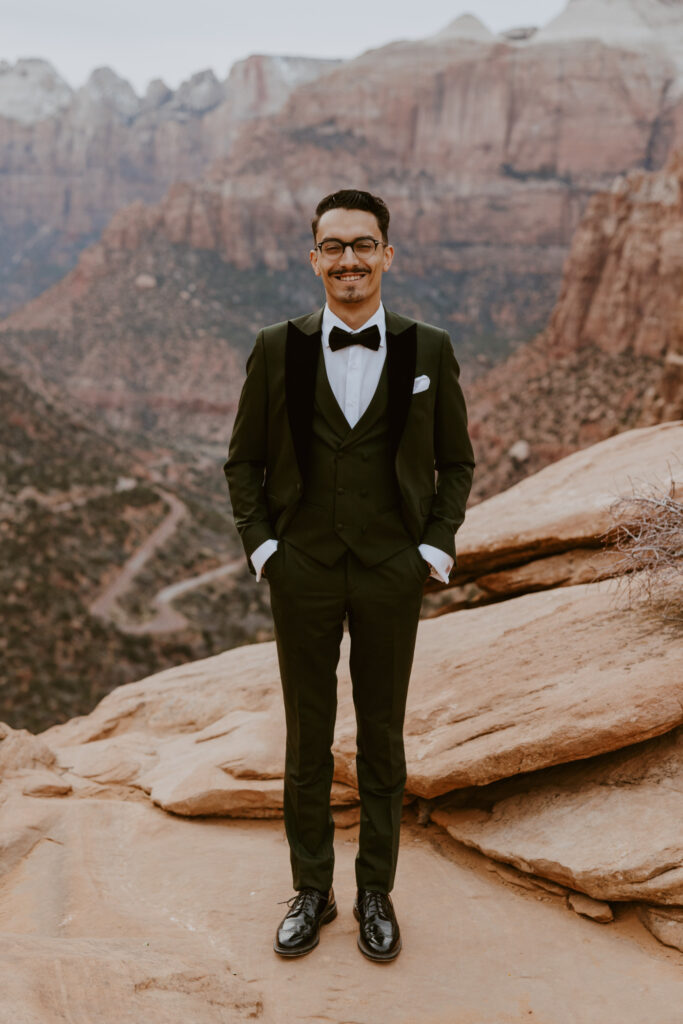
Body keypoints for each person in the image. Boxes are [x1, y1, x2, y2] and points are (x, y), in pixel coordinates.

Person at [224, 188, 474, 962]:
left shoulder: (428, 348)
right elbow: (244, 461)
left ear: (387, 255)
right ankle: (311, 891)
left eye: (362, 245)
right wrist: (265, 549)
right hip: (299, 568)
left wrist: (432, 549)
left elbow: (455, 462)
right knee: (306, 737)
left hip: (390, 570)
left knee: (382, 737)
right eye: (333, 247)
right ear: (313, 259)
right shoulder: (277, 346)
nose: (348, 260)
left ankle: (375, 890)